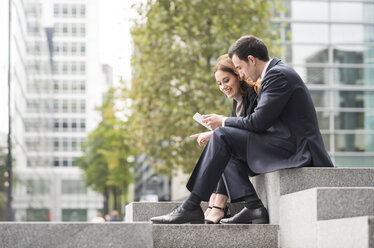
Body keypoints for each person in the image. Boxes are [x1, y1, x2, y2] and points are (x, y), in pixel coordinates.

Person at [150, 35, 334, 225]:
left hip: (297, 149)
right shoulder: (274, 74)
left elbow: (257, 122)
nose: (241, 74)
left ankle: (192, 206)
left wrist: (223, 121)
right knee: (224, 140)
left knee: (223, 135)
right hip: (283, 143)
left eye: (239, 67)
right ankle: (253, 206)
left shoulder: (278, 75)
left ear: (251, 60)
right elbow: (260, 123)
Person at [189, 54, 258, 224]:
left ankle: (218, 205)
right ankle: (214, 203)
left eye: (226, 80)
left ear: (238, 75)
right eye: (219, 83)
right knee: (219, 143)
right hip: (248, 150)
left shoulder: (253, 94)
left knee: (223, 144)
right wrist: (212, 132)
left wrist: (216, 131)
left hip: (259, 151)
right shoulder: (238, 101)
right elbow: (238, 128)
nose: (223, 87)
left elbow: (250, 127)